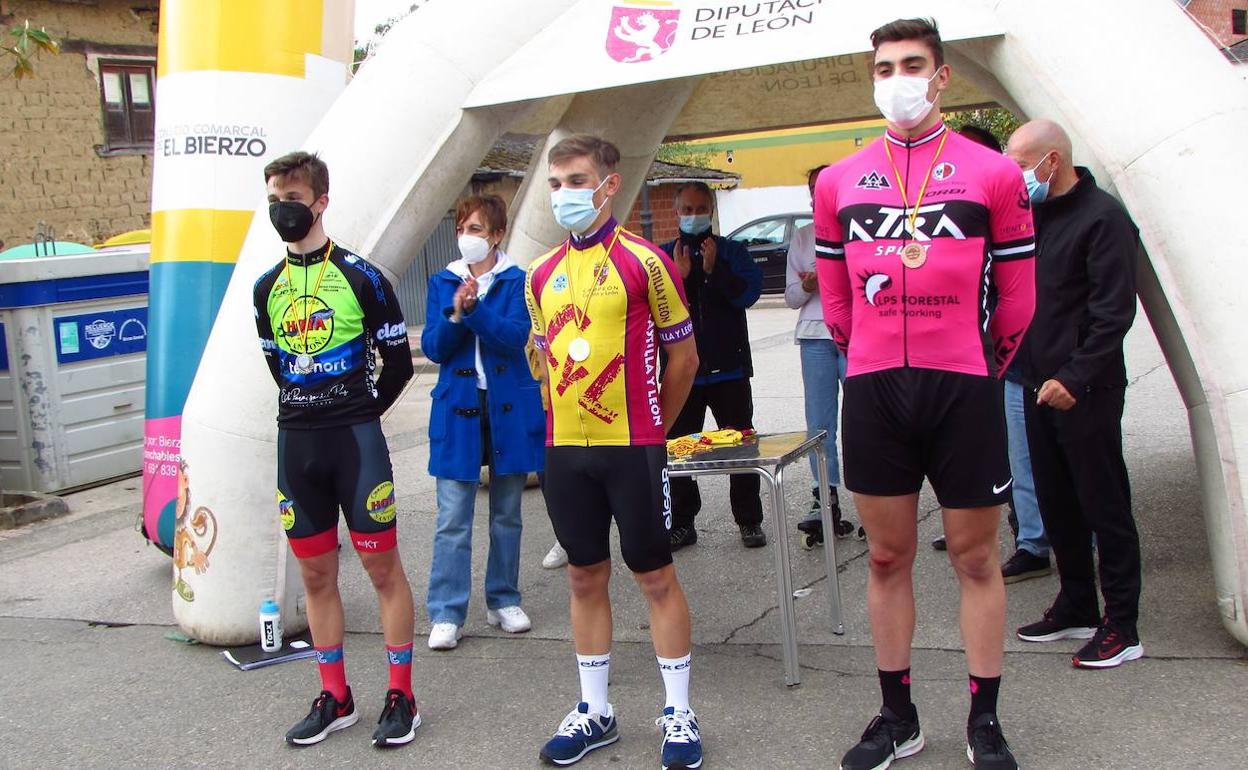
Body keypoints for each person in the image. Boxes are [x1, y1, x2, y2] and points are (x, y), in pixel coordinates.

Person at [815, 19, 1036, 770]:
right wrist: (864, 356)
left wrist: (983, 367)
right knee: (885, 557)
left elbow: (1019, 298)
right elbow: (837, 297)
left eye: (912, 65)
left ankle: (985, 720)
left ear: (942, 77)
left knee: (976, 559)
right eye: (884, 68)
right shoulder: (838, 181)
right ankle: (897, 715)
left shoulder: (992, 173)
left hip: (963, 385)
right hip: (876, 388)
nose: (897, 79)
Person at [526, 134, 703, 770]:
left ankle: (678, 711)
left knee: (654, 574)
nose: (564, 194)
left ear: (608, 185)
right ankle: (595, 710)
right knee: (582, 574)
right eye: (555, 183)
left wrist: (656, 425)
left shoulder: (646, 262)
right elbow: (543, 360)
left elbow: (684, 358)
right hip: (565, 449)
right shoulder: (540, 275)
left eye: (576, 181)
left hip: (634, 445)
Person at [252, 151, 419, 748]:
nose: (282, 209)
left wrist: (358, 411)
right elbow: (280, 365)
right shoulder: (265, 288)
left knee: (381, 569)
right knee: (316, 574)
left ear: (321, 201)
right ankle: (336, 696)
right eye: (273, 199)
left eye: (292, 198)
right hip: (297, 445)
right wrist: (313, 407)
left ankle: (401, 695)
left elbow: (397, 363)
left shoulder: (363, 277)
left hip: (355, 443)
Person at [1006, 119, 1143, 669]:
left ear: (1052, 161)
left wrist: (1074, 377)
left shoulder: (1103, 219)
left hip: (1086, 387)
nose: (1016, 175)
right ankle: (1078, 604)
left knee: (1103, 504)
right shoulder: (1034, 216)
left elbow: (1114, 314)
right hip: (1038, 383)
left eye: (1021, 162)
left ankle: (1123, 625)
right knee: (1059, 503)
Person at [420, 195, 545, 650]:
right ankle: (447, 611)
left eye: (477, 229)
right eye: (463, 228)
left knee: (507, 513)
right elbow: (435, 346)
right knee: (453, 515)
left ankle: (503, 599)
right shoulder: (442, 281)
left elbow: (515, 337)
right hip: (458, 406)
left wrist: (476, 311)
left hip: (508, 407)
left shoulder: (517, 280)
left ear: (496, 235)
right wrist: (457, 311)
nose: (468, 237)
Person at [929, 125, 1051, 585]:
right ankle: (1026, 539)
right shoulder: (956, 219)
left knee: (1054, 460)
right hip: (995, 365)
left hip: (1047, 363)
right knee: (1010, 459)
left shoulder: (1036, 216)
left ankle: (1061, 541)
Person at [660, 181, 765, 550]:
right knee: (677, 448)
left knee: (740, 445)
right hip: (681, 372)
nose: (693, 215)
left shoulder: (734, 251)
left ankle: (749, 521)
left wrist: (714, 269)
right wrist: (681, 278)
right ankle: (683, 523)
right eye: (686, 209)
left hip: (730, 370)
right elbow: (657, 311)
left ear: (711, 210)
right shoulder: (663, 256)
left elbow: (748, 294)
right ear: (676, 212)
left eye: (700, 208)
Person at [785, 164, 855, 542]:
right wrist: (809, 286)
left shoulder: (858, 229)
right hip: (815, 338)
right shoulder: (803, 236)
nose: (817, 195)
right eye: (813, 189)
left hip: (857, 337)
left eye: (824, 188)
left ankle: (875, 495)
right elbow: (791, 296)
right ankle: (823, 496)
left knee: (865, 417)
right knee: (820, 423)